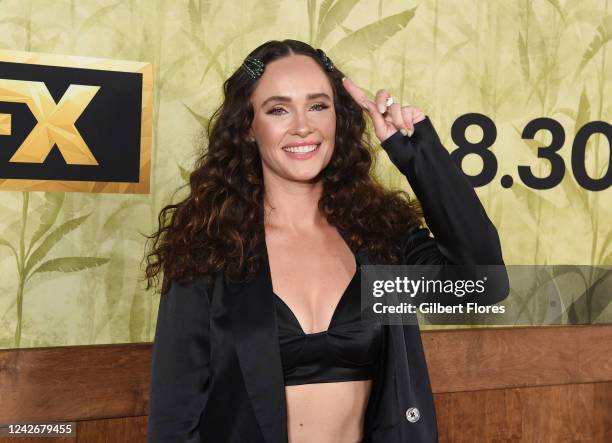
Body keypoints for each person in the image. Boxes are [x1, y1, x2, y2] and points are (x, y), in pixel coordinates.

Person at [144, 39, 507, 443]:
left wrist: (419, 155)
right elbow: (173, 421)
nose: (303, 126)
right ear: (248, 127)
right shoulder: (209, 247)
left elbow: (485, 284)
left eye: (318, 105)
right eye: (278, 109)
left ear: (339, 118)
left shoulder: (379, 235)